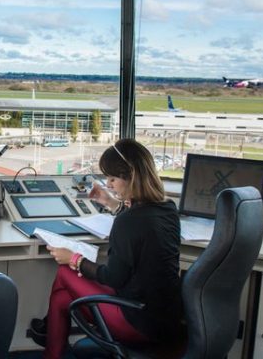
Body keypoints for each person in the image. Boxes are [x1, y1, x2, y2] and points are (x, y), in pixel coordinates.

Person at [33, 138, 183, 359]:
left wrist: (73, 258)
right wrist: (112, 203)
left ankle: (47, 335)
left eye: (113, 178)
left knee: (65, 273)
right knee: (62, 299)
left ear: (131, 177)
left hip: (138, 321)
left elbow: (113, 278)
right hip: (165, 319)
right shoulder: (168, 209)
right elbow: (139, 225)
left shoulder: (129, 222)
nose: (109, 184)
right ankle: (52, 352)